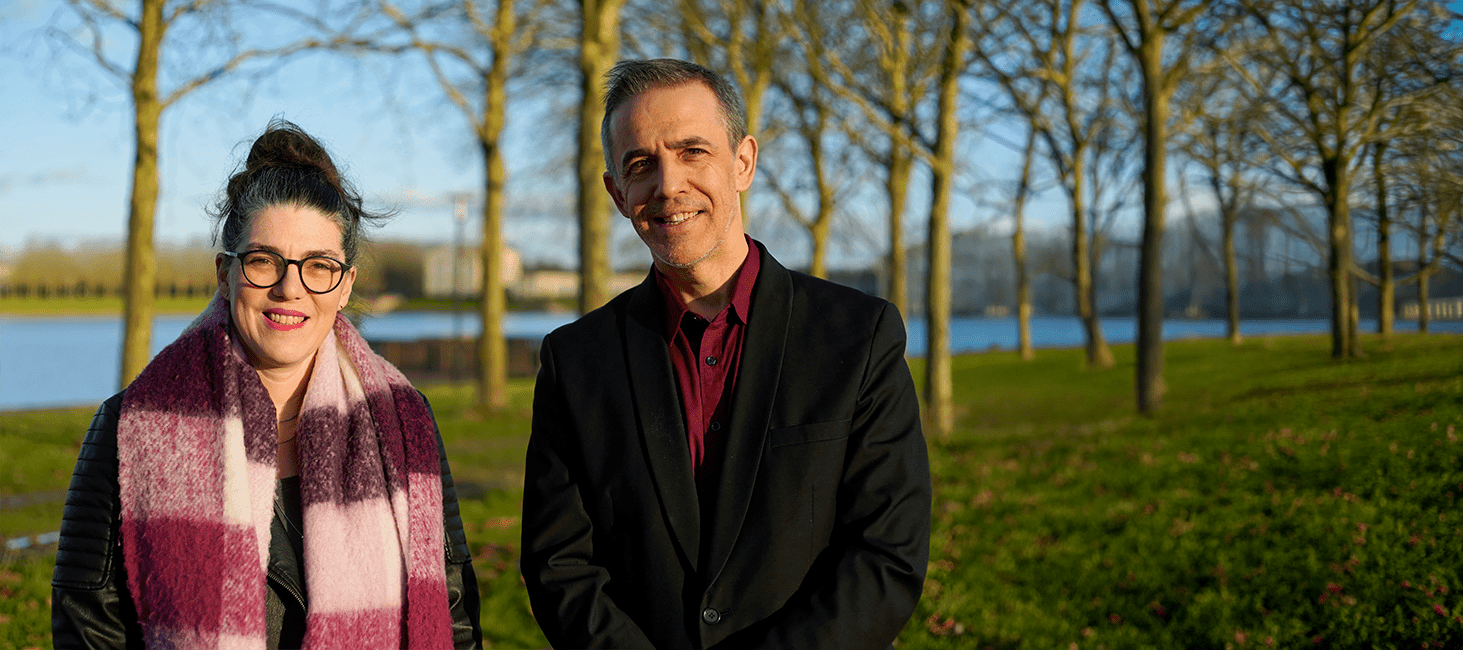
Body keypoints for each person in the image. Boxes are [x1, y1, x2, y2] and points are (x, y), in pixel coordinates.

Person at [521, 59, 931, 649]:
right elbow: (559, 566)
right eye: (641, 165)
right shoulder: (575, 361)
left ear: (743, 162)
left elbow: (886, 552)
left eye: (693, 152)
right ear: (617, 192)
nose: (668, 185)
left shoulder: (857, 336)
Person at [51, 120, 482, 649]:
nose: (289, 288)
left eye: (318, 267)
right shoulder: (129, 424)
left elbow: (452, 614)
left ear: (345, 286)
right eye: (263, 261)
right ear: (224, 273)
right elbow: (87, 627)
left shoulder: (405, 423)